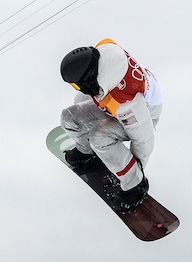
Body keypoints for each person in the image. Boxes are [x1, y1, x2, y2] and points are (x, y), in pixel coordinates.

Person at [59, 38, 163, 213]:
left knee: (99, 137)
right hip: (112, 99)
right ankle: (86, 152)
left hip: (145, 112)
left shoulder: (126, 101)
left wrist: (136, 173)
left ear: (90, 79)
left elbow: (144, 138)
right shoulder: (104, 55)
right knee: (69, 118)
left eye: (78, 84)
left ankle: (135, 185)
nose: (77, 88)